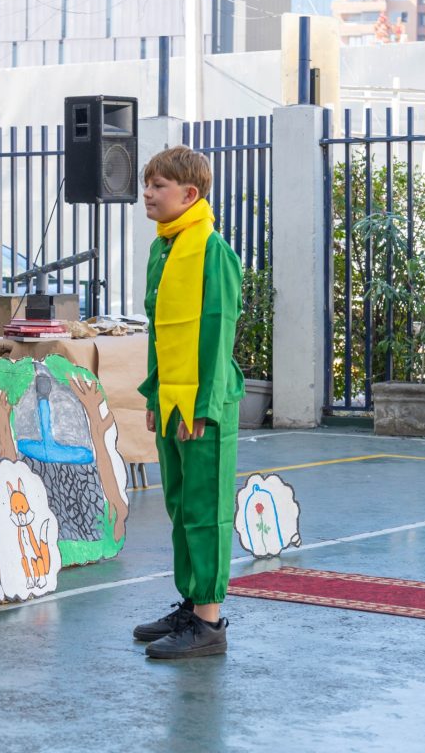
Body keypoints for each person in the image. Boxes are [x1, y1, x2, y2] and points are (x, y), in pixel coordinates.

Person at [133, 145, 243, 659]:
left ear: (189, 194)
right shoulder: (164, 248)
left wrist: (202, 405)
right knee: (180, 505)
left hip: (205, 404)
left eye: (158, 186)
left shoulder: (211, 249)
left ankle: (209, 622)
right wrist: (157, 392)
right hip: (172, 399)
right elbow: (160, 333)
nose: (148, 193)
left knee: (207, 508)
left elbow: (217, 333)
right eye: (147, 184)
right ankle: (190, 602)